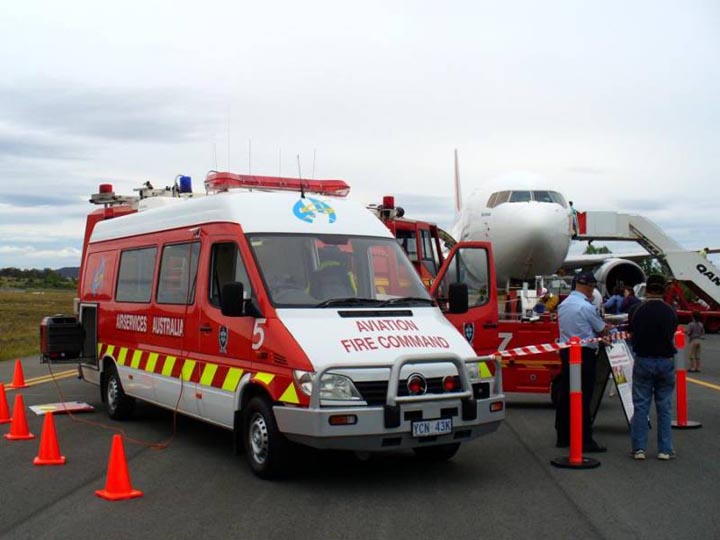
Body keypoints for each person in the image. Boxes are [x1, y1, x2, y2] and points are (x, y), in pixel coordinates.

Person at [555, 272, 610, 452]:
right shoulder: (586, 307)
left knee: (565, 394)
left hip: (566, 351)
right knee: (583, 396)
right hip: (584, 355)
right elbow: (602, 330)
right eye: (592, 287)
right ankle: (585, 439)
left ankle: (562, 435)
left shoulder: (563, 305)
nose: (592, 291)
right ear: (588, 286)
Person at [628, 274, 678, 461]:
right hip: (665, 360)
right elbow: (672, 330)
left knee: (641, 406)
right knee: (664, 406)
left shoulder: (636, 310)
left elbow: (631, 330)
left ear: (647, 289)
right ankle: (665, 449)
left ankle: (639, 448)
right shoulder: (671, 311)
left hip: (644, 358)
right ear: (664, 290)